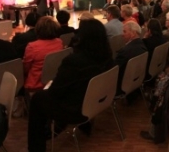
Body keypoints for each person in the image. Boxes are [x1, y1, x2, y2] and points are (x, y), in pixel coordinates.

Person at [27, 19, 114, 152]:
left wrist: (49, 86)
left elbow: (55, 93)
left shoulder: (74, 61)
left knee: (38, 99)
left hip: (75, 110)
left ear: (82, 37)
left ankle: (36, 147)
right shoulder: (108, 58)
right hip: (95, 102)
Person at [23, 16, 63, 92]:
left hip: (36, 84)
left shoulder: (32, 47)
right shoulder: (59, 42)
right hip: (54, 80)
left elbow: (25, 68)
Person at [114, 21, 147, 92]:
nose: (122, 34)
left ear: (133, 34)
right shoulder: (143, 46)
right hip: (136, 80)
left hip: (122, 85)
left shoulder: (125, 52)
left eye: (124, 32)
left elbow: (114, 70)